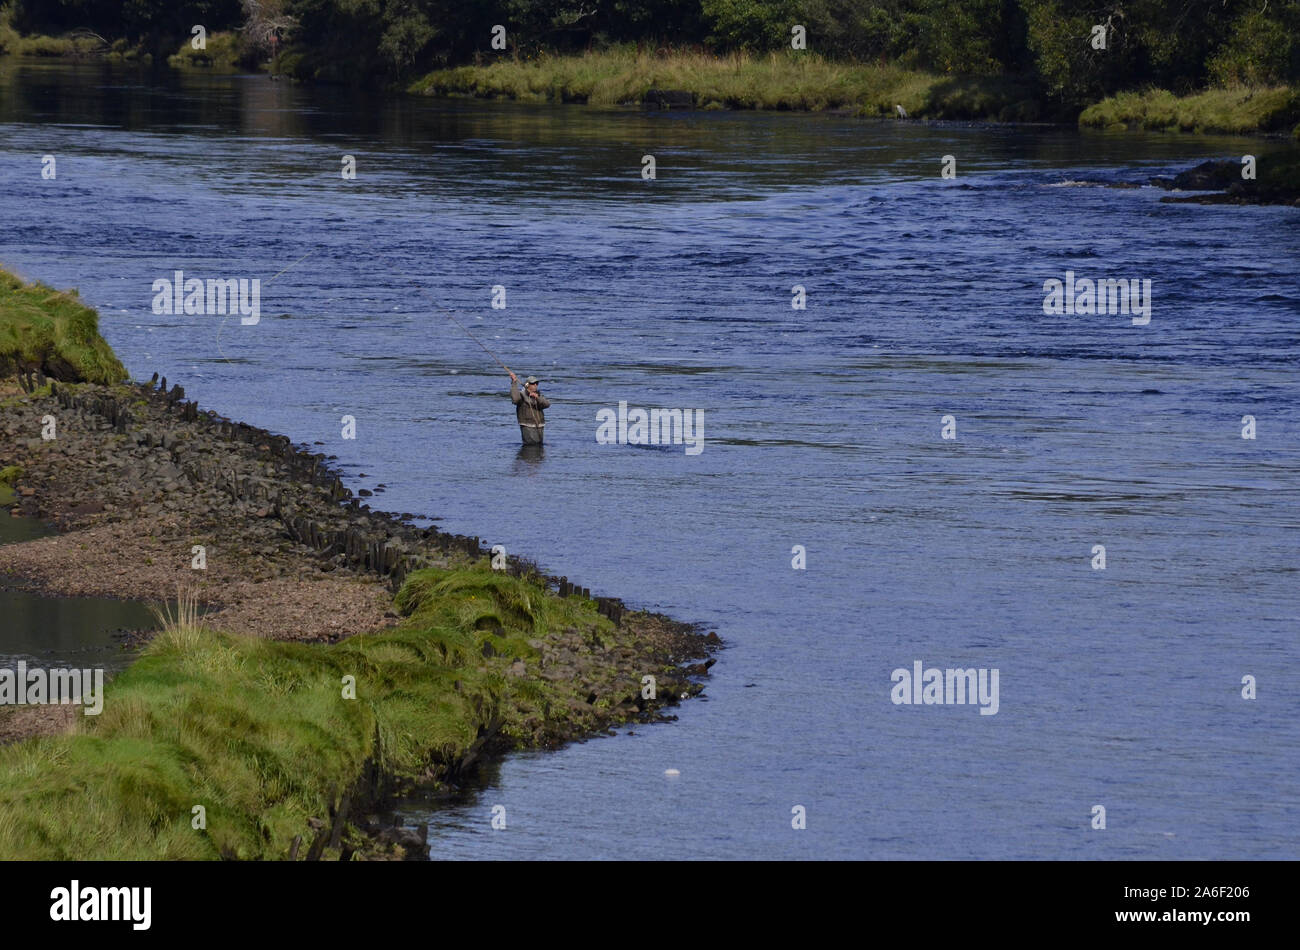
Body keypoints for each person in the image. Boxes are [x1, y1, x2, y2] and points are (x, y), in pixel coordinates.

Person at [509, 372, 550, 445]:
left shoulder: (539, 395)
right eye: (533, 383)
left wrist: (537, 397)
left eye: (536, 383)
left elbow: (547, 404)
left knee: (539, 449)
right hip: (527, 426)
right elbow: (515, 399)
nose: (535, 385)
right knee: (530, 448)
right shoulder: (521, 394)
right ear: (527, 384)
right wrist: (514, 382)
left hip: (539, 426)